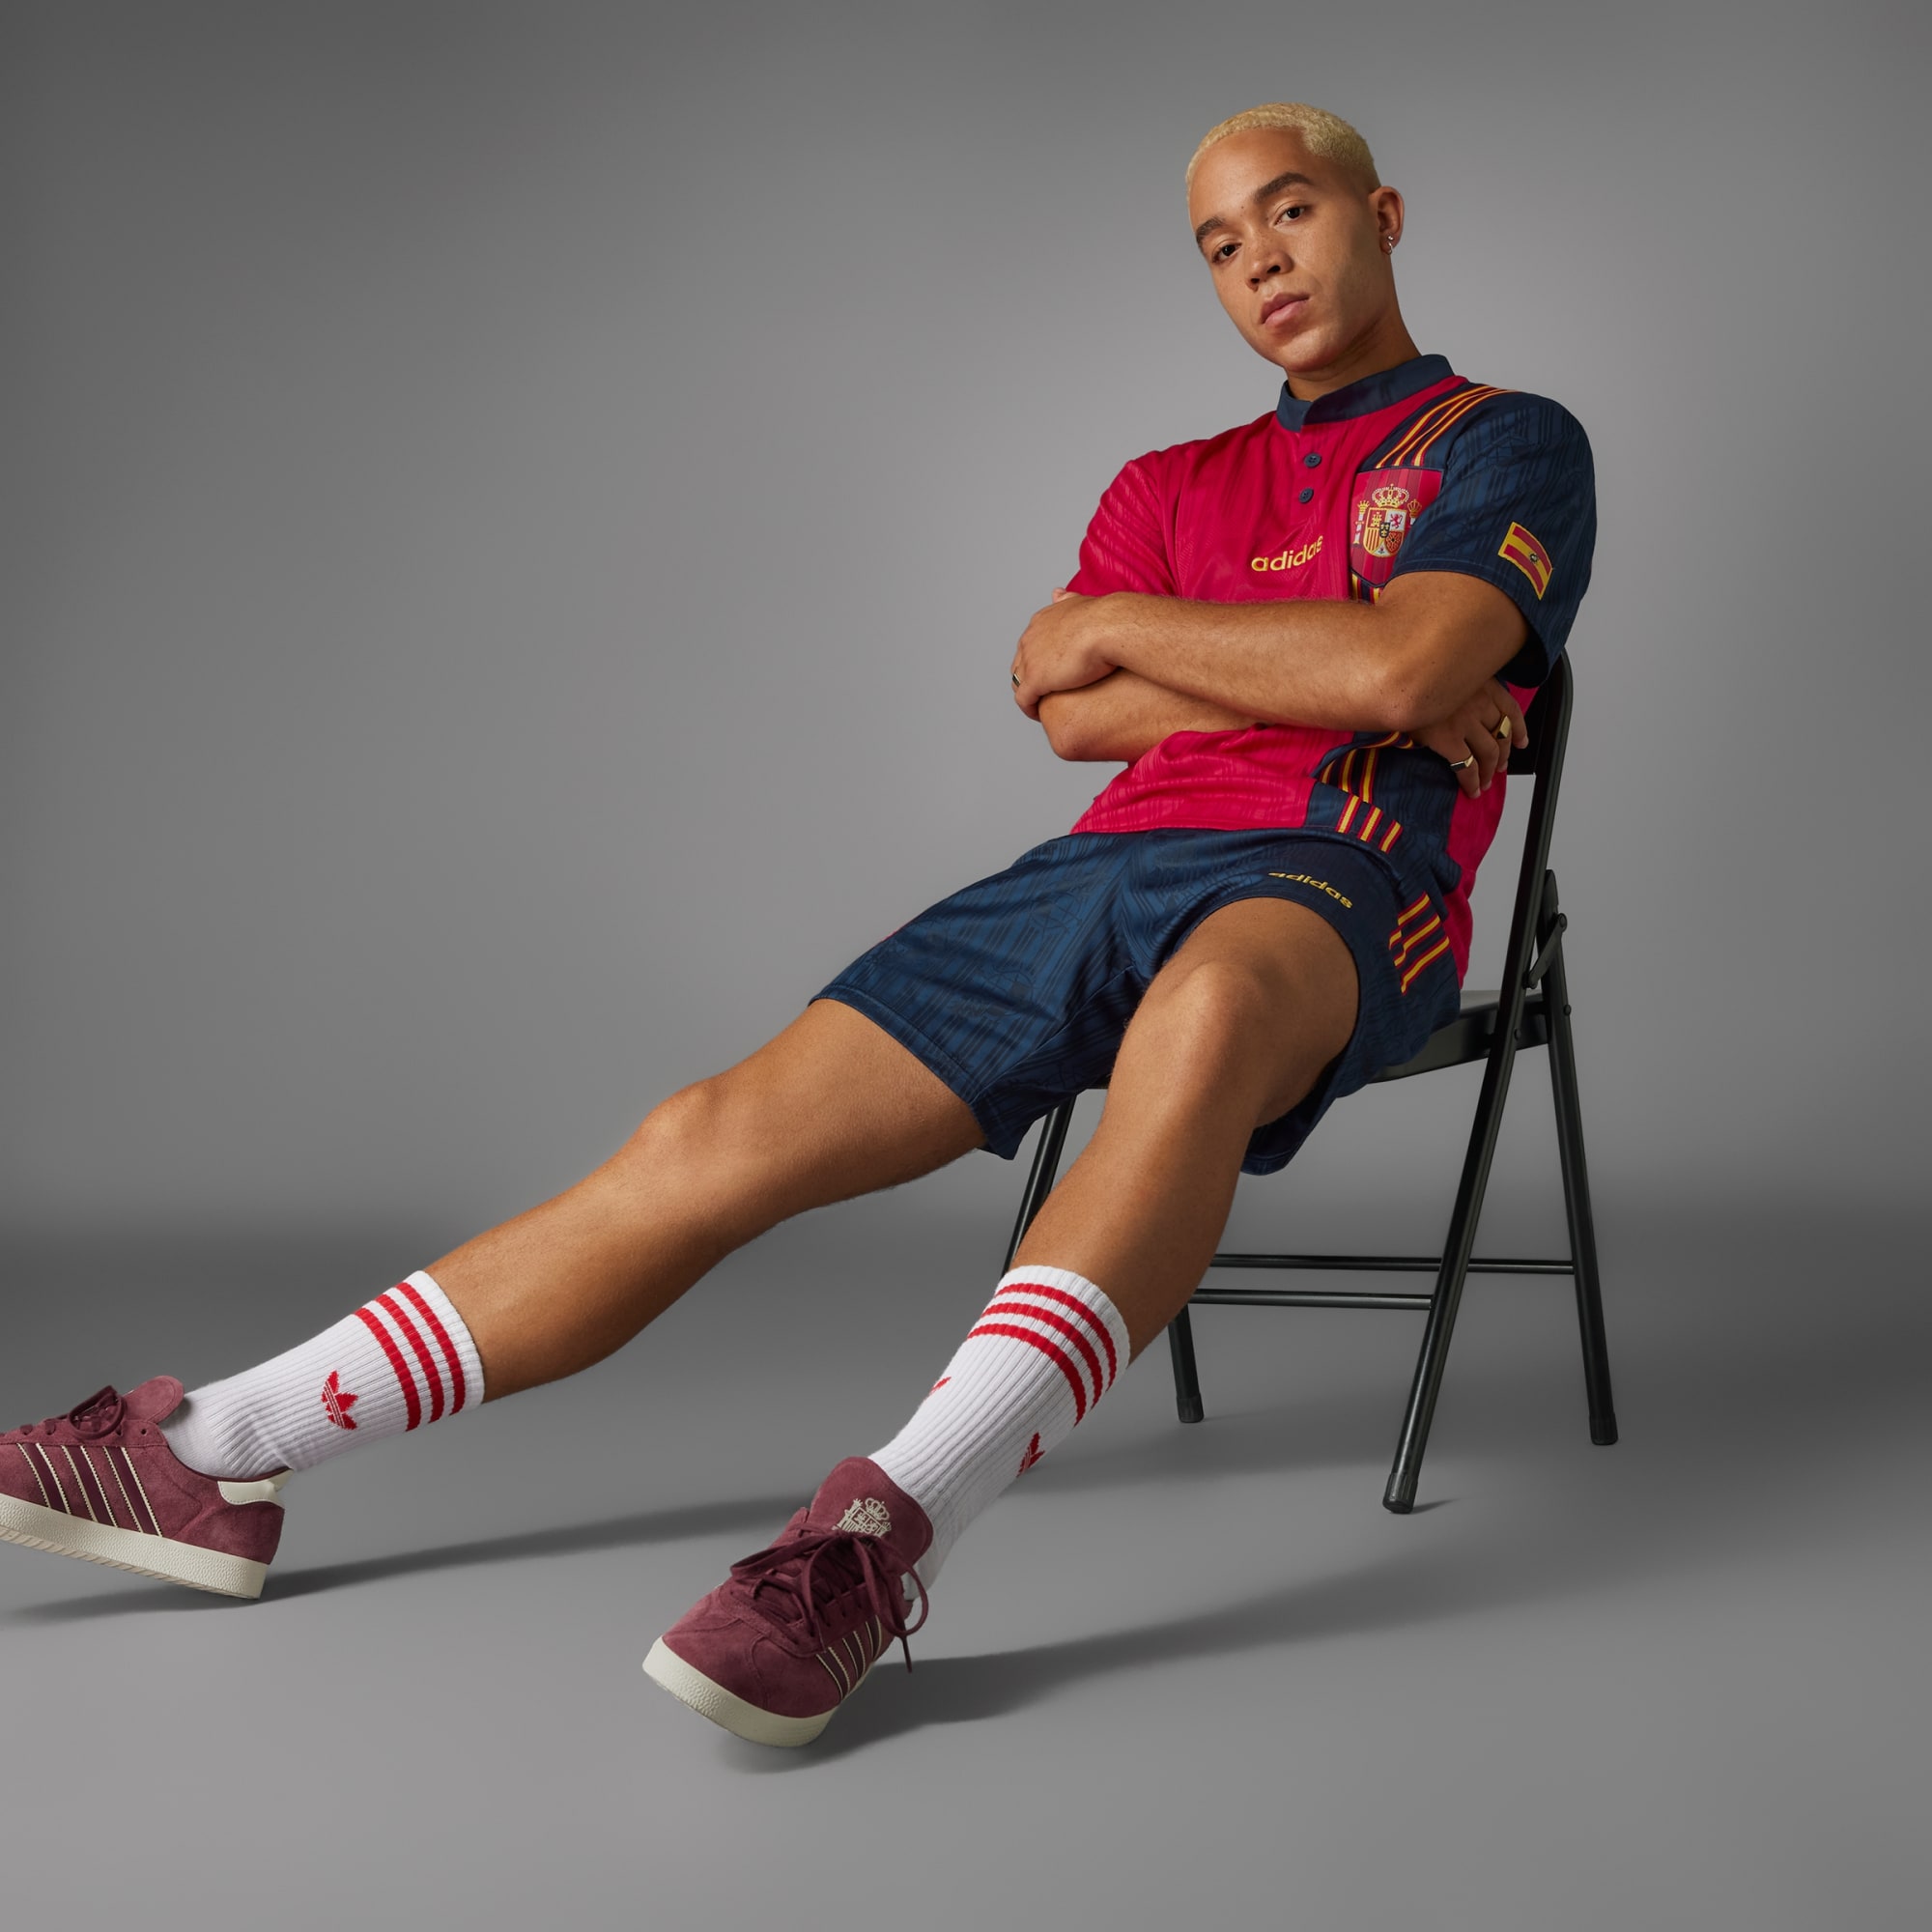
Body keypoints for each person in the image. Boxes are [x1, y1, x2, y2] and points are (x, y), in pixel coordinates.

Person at [0, 101, 1594, 1747]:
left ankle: (884, 1537)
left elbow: (1392, 669)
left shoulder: (1507, 440)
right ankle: (217, 1456)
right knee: (705, 1135)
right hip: (1105, 867)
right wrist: (1307, 657)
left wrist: (1189, 640)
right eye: (1219, 242)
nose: (1261, 258)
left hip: (1341, 869)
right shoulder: (1167, 483)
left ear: (1380, 216)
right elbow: (1069, 709)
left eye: (1292, 211)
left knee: (1198, 1027)